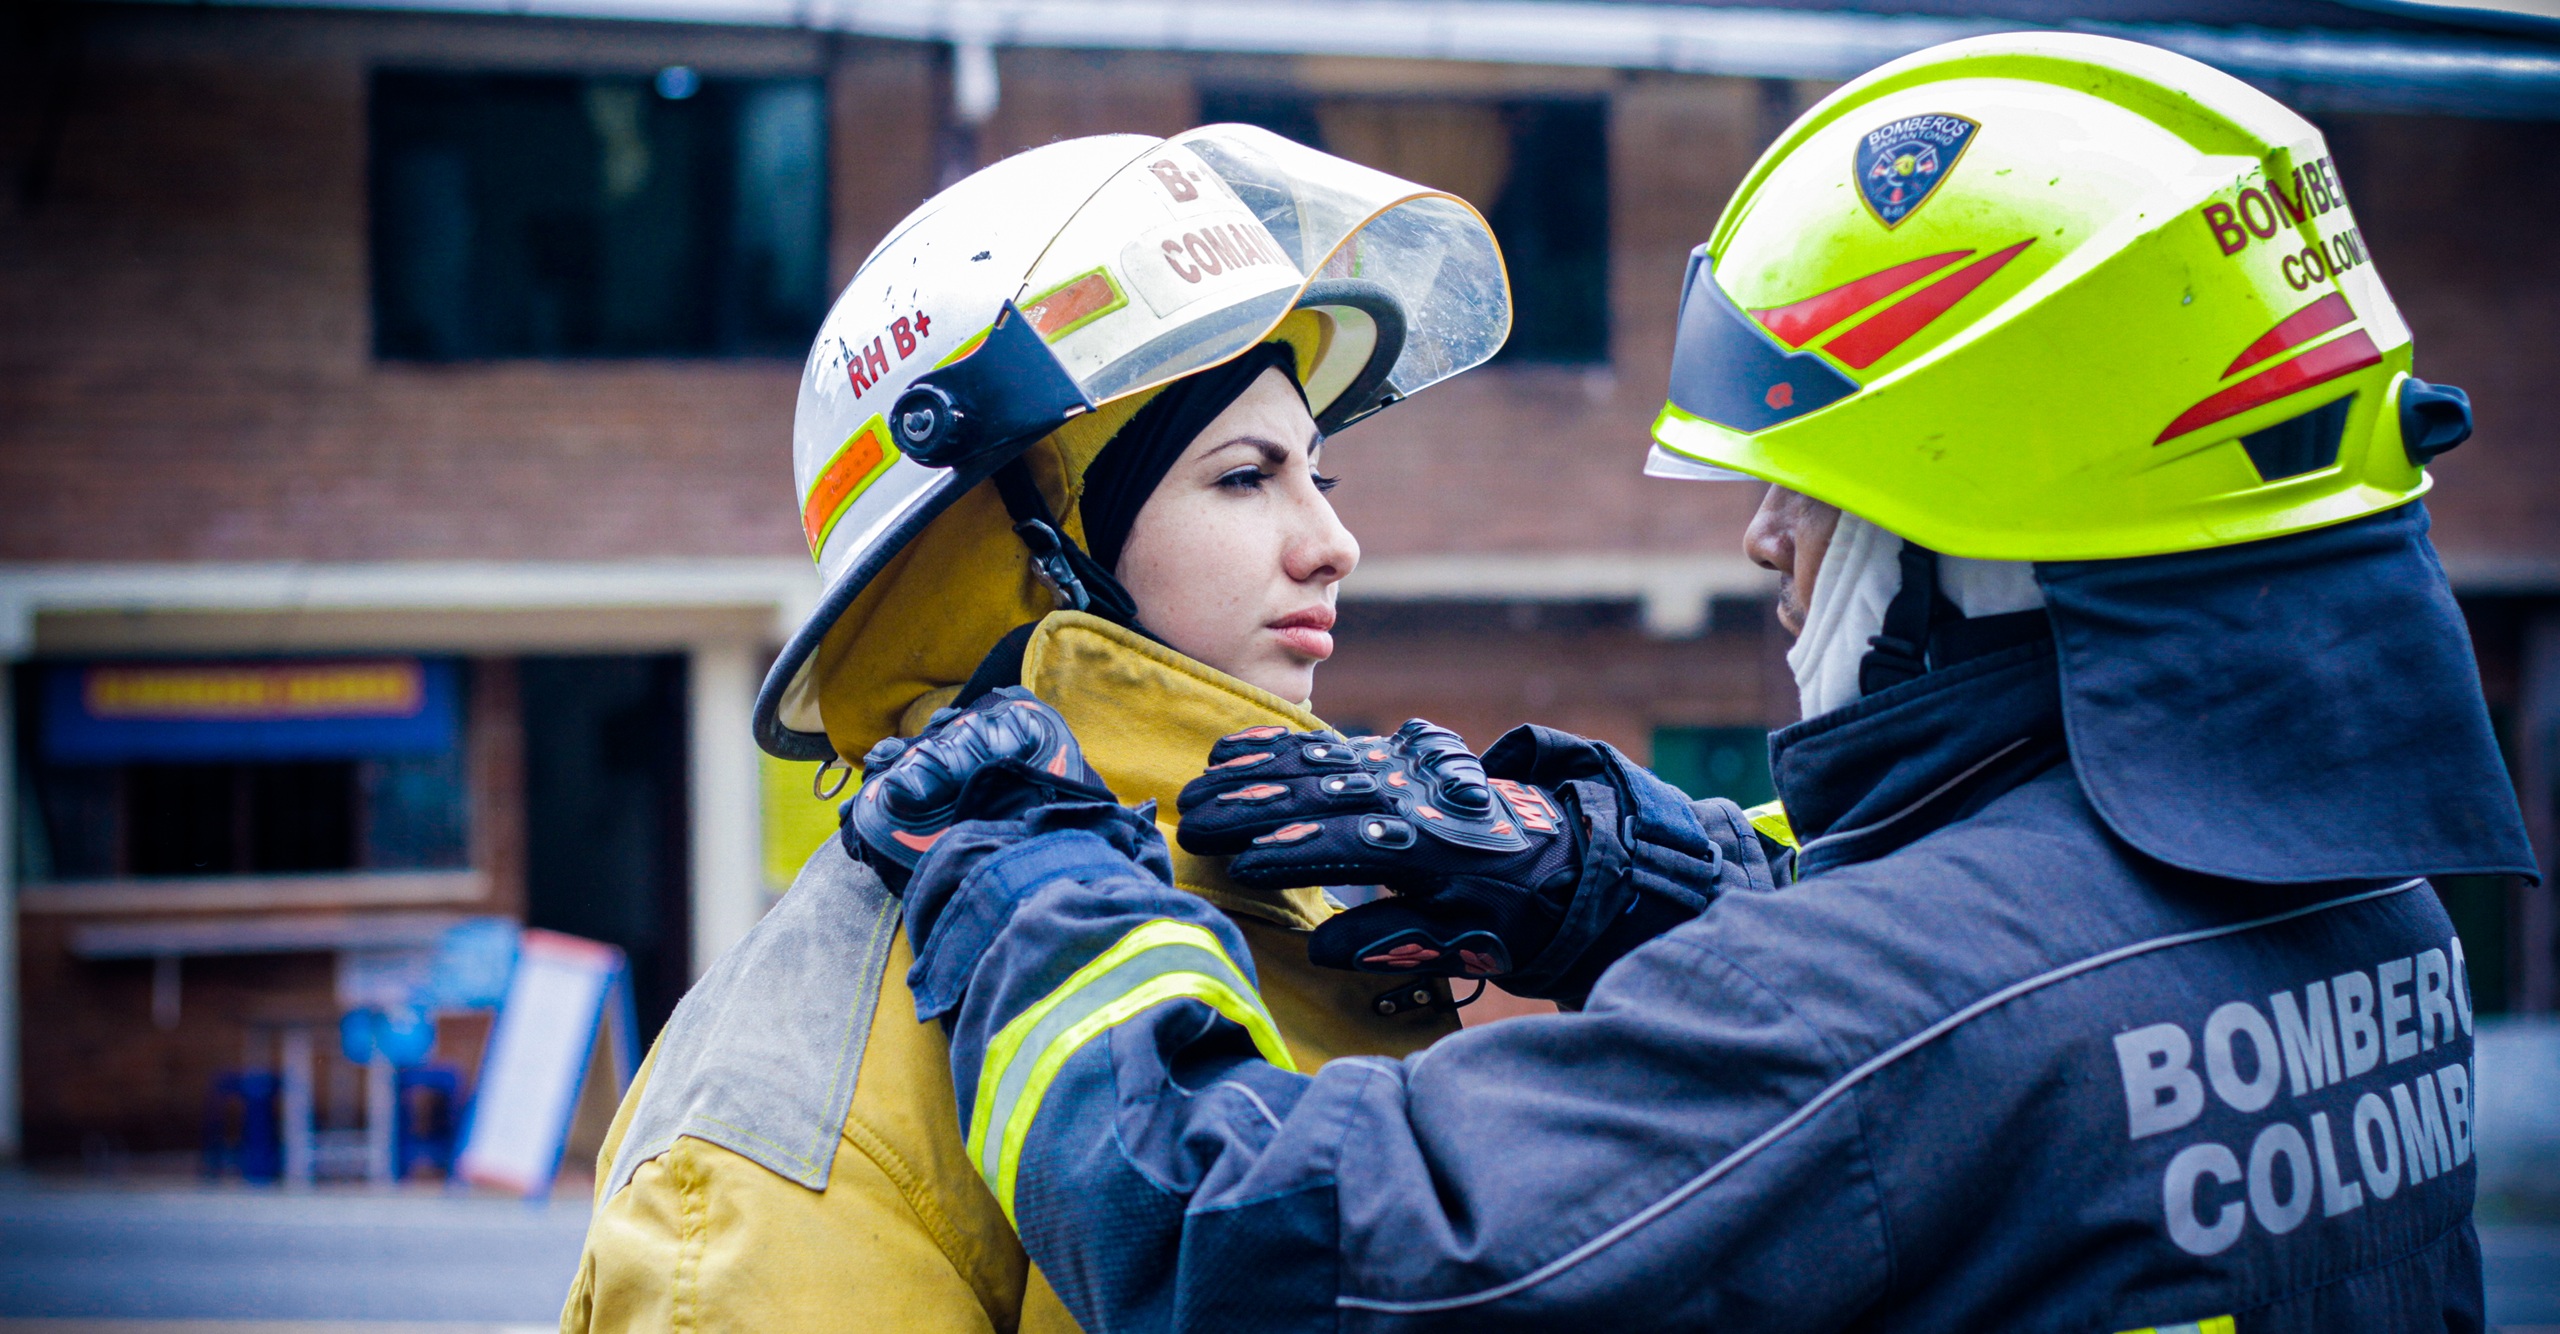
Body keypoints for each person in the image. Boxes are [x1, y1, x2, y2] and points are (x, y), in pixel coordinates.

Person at [853, 32, 2539, 1332]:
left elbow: (1265, 1244)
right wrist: (1622, 883)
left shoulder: (1880, 1020)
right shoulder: (2366, 911)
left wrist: (1035, 899)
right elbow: (2020, 1003)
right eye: (1247, 475)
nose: (1760, 540)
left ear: (1994, 526)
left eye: (1807, 487)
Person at [559, 128, 1512, 1332]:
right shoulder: (802, 1074)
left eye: (1322, 475)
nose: (1332, 541)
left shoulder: (1292, 886)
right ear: (1020, 560)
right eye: (1242, 475)